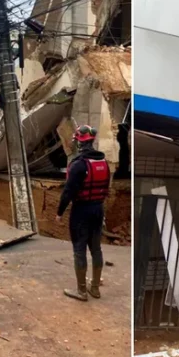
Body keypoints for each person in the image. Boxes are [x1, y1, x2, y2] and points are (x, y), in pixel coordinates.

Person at [55, 125, 110, 301]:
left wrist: (59, 212)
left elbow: (68, 191)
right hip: (98, 209)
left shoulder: (78, 165)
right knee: (96, 249)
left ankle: (81, 291)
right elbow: (106, 187)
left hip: (81, 211)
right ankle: (95, 288)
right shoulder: (104, 163)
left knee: (79, 250)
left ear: (79, 142)